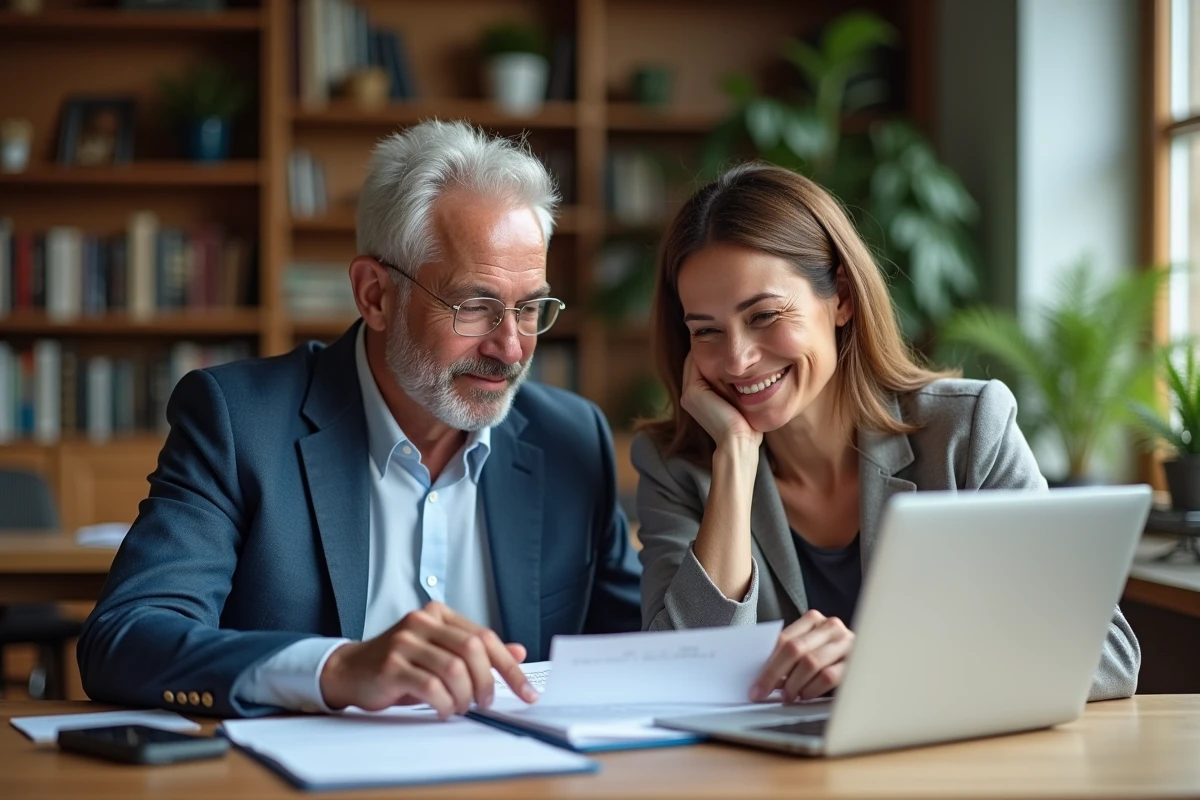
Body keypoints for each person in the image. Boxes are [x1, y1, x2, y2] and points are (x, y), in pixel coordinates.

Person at [78, 120, 641, 719]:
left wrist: (736, 462)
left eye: (529, 309)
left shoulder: (572, 438)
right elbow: (125, 640)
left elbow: (643, 652)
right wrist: (335, 667)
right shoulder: (240, 423)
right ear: (375, 295)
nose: (511, 347)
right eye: (475, 306)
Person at [632, 162, 1139, 704]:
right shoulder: (675, 465)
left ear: (842, 299)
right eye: (706, 331)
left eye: (764, 316)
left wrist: (885, 665)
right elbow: (679, 675)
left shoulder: (965, 433)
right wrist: (734, 456)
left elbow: (1108, 658)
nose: (738, 360)